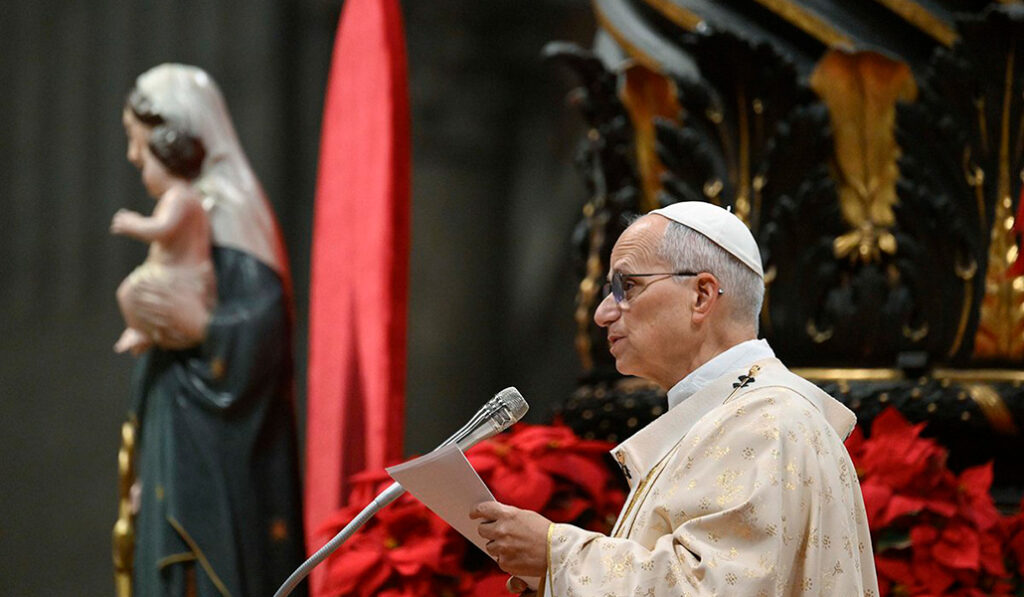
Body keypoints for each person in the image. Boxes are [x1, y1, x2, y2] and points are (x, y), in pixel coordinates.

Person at [471, 201, 879, 596]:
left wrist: (556, 555)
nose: (602, 313)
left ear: (702, 296)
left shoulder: (766, 423)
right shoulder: (733, 417)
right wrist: (555, 578)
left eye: (626, 286)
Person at [113, 64, 306, 597]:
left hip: (220, 442)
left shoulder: (232, 210)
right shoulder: (184, 206)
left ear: (175, 136)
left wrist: (200, 326)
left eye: (138, 140)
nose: (133, 156)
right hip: (173, 423)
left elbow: (264, 326)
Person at [111, 119, 215, 356]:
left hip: (180, 277)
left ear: (164, 165)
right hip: (182, 274)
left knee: (128, 291)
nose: (144, 174)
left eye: (147, 165)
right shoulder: (187, 196)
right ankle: (147, 330)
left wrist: (134, 224)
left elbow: (163, 228)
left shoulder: (179, 197)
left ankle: (141, 330)